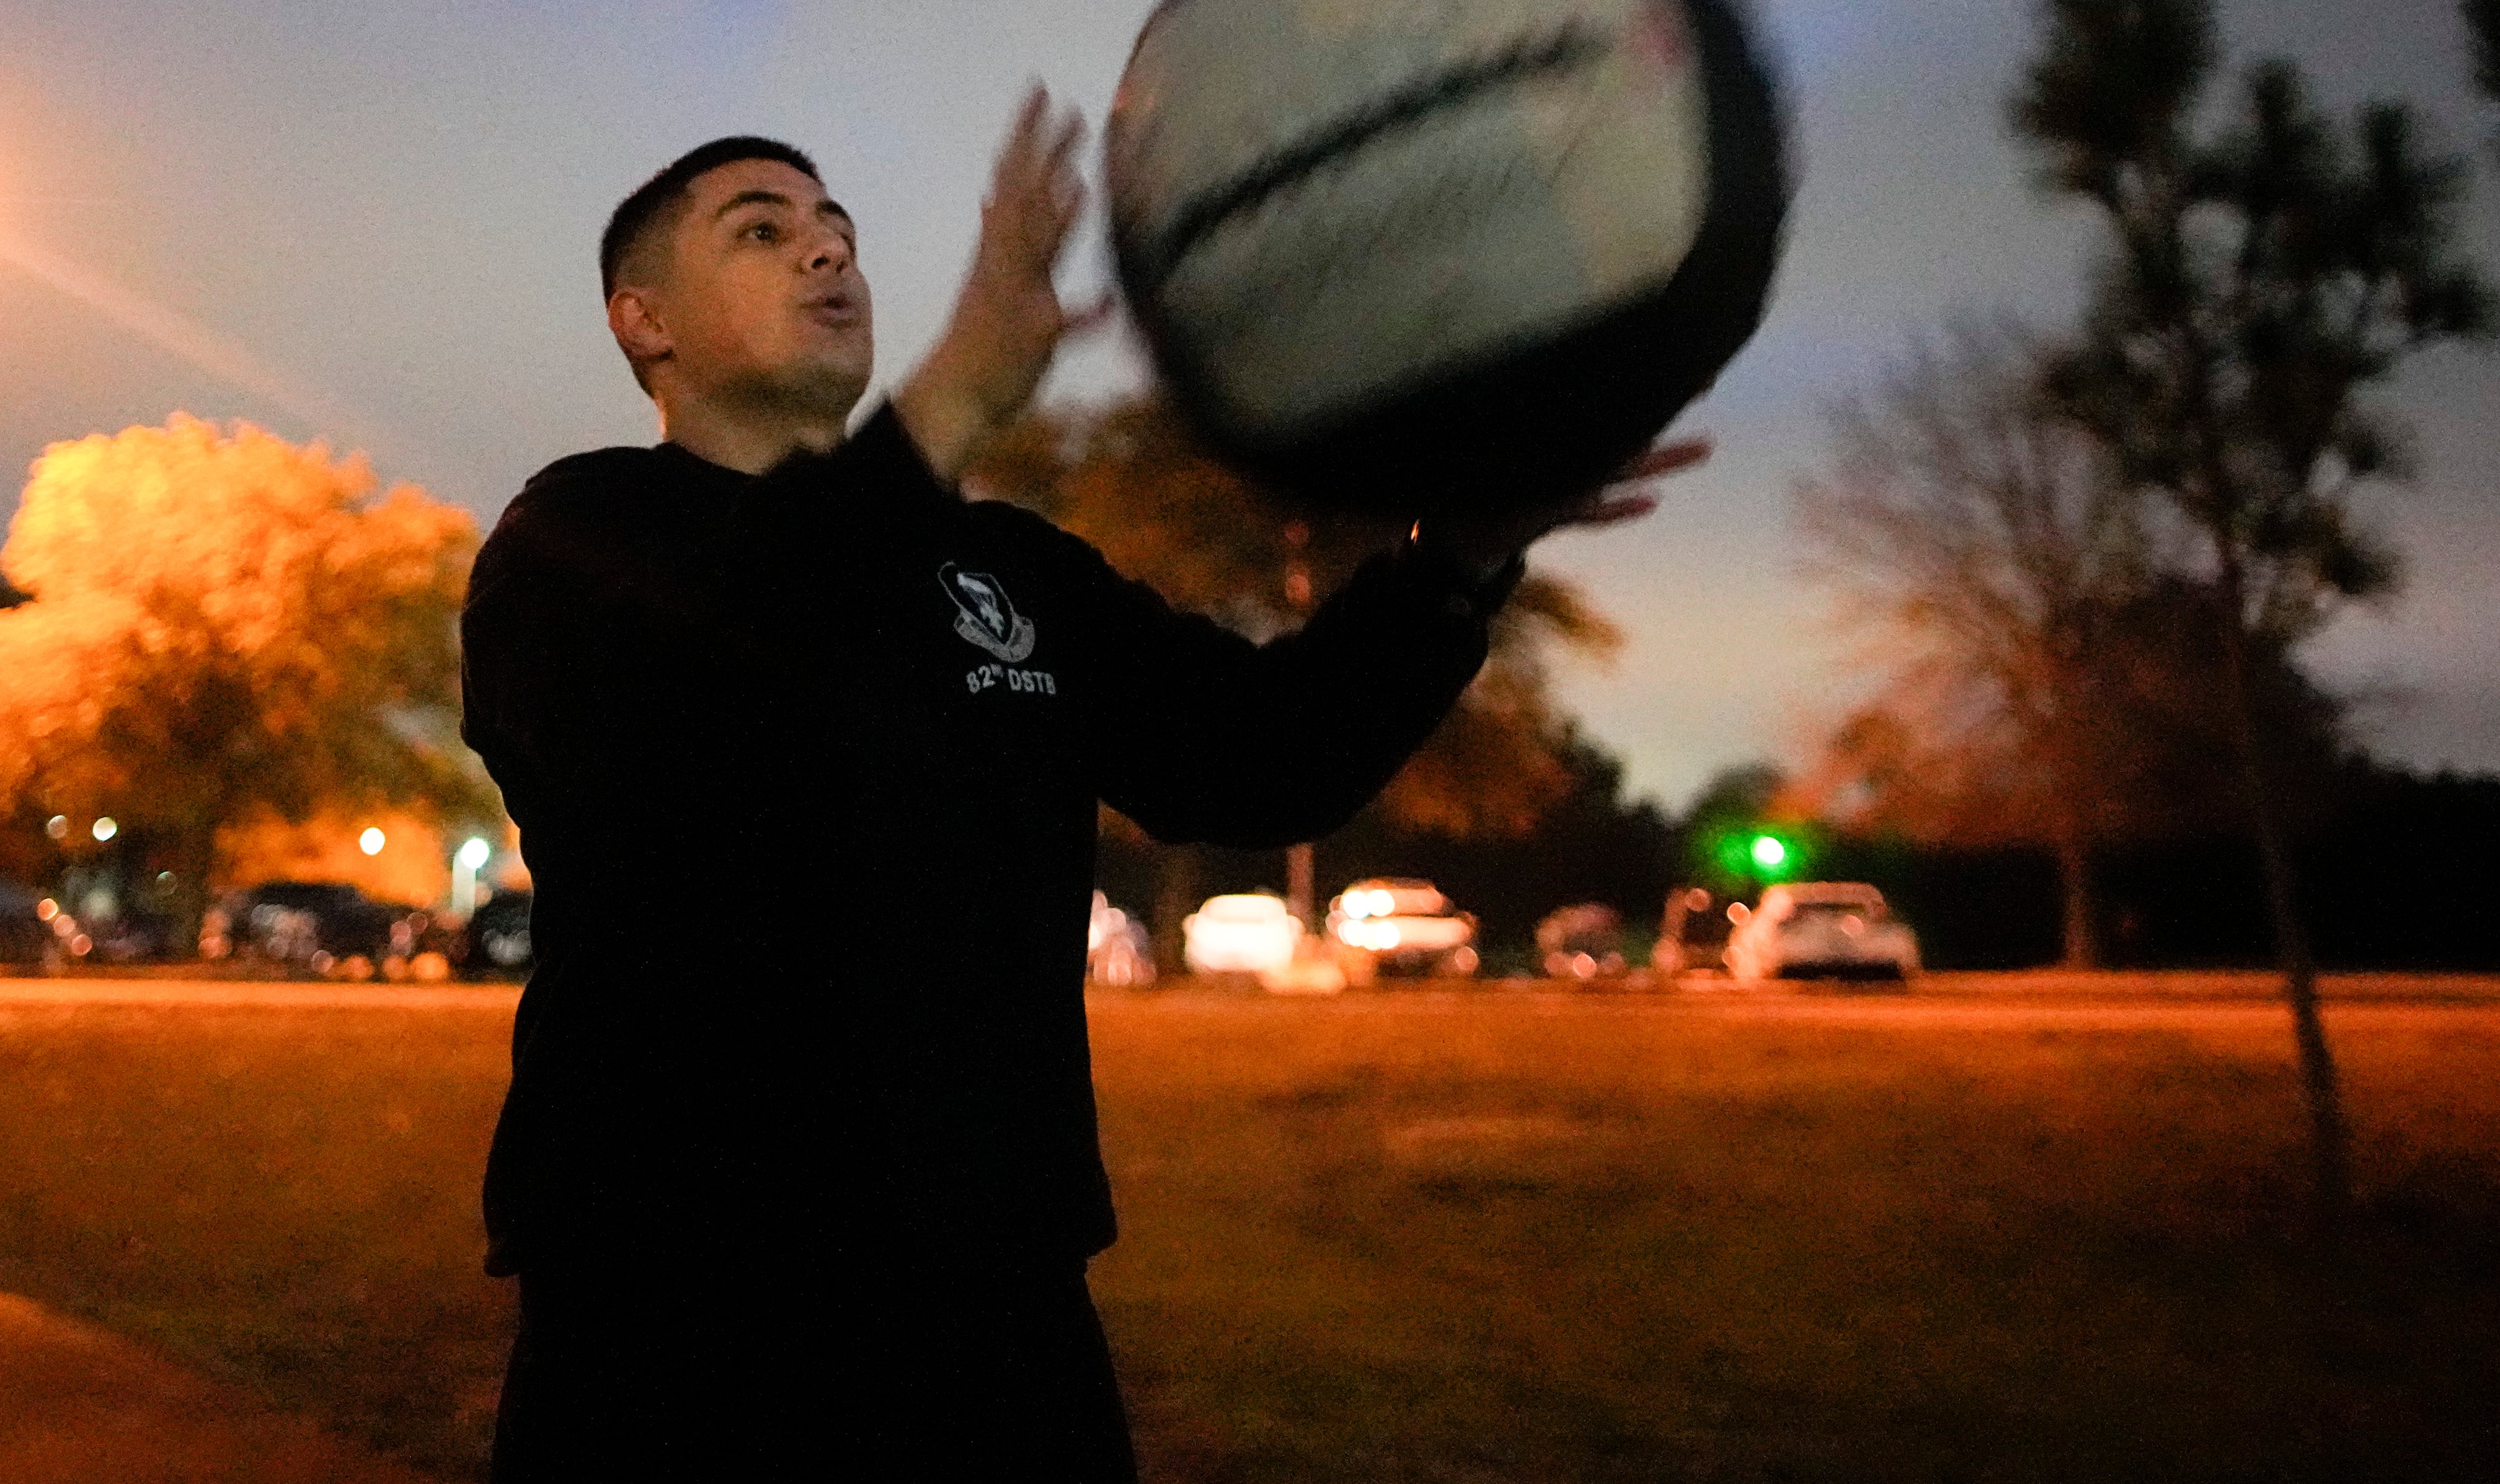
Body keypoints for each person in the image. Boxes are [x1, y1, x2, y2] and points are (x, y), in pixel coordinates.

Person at [463, 89, 1700, 1479]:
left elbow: (1264, 750)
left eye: (840, 230)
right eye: (763, 230)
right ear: (645, 320)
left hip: (995, 1302)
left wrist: (1453, 563)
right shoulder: (577, 537)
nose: (828, 254)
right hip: (673, 1306)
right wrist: (955, 399)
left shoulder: (1003, 568)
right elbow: (723, 680)